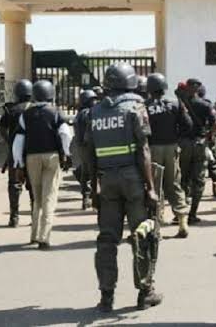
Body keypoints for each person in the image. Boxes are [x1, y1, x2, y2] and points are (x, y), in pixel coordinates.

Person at [83, 62, 162, 312]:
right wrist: (150, 188)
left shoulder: (94, 112)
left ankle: (106, 296)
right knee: (143, 235)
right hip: (133, 180)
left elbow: (89, 154)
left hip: (106, 181)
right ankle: (145, 292)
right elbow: (144, 150)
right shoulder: (135, 108)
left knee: (107, 239)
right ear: (130, 83)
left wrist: (92, 188)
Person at [12, 80, 72, 249]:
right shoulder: (55, 112)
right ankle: (44, 237)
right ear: (50, 94)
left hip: (32, 158)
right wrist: (66, 153)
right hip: (52, 157)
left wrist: (19, 162)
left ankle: (34, 234)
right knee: (49, 197)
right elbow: (65, 134)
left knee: (37, 197)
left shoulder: (26, 114)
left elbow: (18, 141)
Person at [145, 73, 192, 238]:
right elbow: (188, 125)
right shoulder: (175, 103)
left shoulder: (144, 106)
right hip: (171, 148)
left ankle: (157, 223)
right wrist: (176, 137)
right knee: (174, 183)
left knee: (154, 186)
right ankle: (182, 222)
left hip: (152, 149)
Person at [179, 78, 216, 224]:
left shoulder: (180, 104)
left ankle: (180, 214)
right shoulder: (206, 105)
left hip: (183, 144)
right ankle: (192, 214)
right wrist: (208, 136)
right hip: (200, 144)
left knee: (182, 179)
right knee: (199, 180)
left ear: (187, 87)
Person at [0, 79, 34, 227]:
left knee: (14, 184)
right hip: (32, 151)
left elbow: (2, 129)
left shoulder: (11, 110)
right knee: (33, 184)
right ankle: (34, 216)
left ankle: (14, 217)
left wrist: (10, 142)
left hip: (15, 152)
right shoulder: (34, 108)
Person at [72, 89, 97, 210]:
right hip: (88, 146)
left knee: (84, 171)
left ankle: (86, 197)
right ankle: (90, 197)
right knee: (91, 172)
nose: (95, 102)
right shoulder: (88, 113)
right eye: (93, 100)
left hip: (81, 146)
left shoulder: (79, 114)